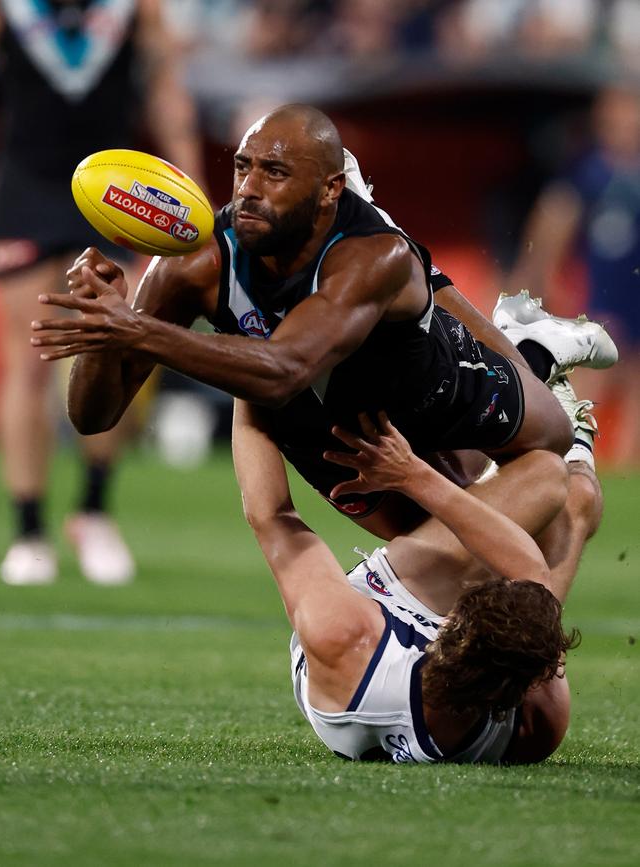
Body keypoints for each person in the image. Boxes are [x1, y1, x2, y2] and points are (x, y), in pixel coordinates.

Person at [31, 104, 616, 540]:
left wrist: (136, 330)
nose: (249, 190)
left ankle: (530, 350)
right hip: (339, 422)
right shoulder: (198, 261)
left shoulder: (372, 254)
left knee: (552, 444)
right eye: (241, 168)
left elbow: (284, 368)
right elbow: (91, 416)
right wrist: (105, 327)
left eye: (275, 173)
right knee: (446, 556)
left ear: (330, 189)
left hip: (430, 383)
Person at [232, 372, 602, 764]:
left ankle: (526, 363)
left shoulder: (342, 632)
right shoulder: (535, 726)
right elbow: (533, 574)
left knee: (543, 476)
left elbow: (272, 515)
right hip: (454, 681)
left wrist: (253, 378)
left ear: (449, 628)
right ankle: (576, 434)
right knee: (578, 496)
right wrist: (416, 478)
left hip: (377, 634)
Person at [0, 0, 205, 584]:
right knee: (29, 358)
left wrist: (197, 202)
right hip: (26, 189)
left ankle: (93, 510)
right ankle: (29, 529)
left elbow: (166, 95)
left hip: (116, 192)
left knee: (114, 348)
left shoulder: (138, 10)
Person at [508, 84, 640, 466]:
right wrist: (543, 271)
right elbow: (555, 218)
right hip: (603, 288)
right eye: (614, 113)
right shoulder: (588, 168)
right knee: (595, 373)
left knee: (636, 381)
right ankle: (578, 456)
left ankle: (628, 465)